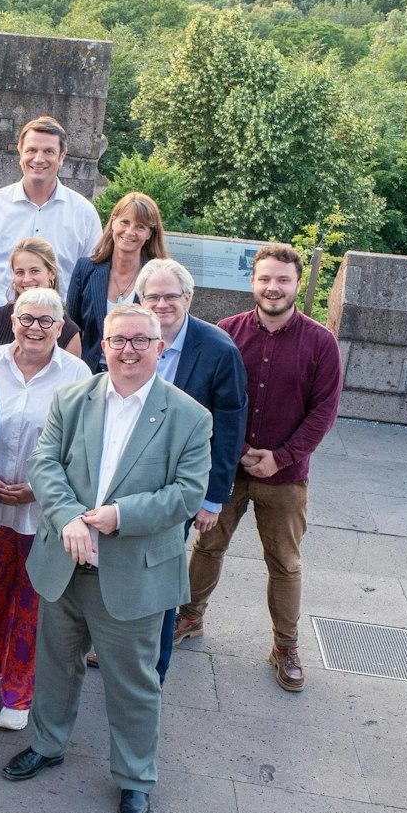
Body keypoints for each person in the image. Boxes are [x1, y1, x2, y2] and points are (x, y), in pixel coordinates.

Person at [3, 305, 210, 813]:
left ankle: (136, 778)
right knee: (55, 664)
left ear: (160, 348)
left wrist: (119, 517)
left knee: (132, 682)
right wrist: (70, 515)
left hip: (132, 572)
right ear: (103, 347)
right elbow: (44, 463)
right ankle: (48, 745)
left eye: (141, 341)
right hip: (64, 562)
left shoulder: (189, 416)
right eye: (119, 340)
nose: (128, 350)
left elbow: (186, 495)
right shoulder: (72, 399)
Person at [186, 244, 343, 693]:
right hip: (227, 472)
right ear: (252, 282)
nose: (273, 287)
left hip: (285, 477)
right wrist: (229, 450)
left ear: (296, 284)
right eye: (265, 279)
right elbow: (206, 397)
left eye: (283, 280)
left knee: (285, 564)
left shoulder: (321, 343)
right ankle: (190, 617)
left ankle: (286, 646)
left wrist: (281, 457)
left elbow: (324, 413)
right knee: (207, 546)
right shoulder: (226, 332)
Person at [0, 287, 90, 731]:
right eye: (26, 318)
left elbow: (82, 447)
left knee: (30, 603)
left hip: (41, 509)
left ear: (60, 325)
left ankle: (18, 690)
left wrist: (38, 488)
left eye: (45, 321)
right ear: (12, 320)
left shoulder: (77, 374)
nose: (34, 328)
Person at [131, 257, 246, 680]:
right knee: (121, 569)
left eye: (170, 296)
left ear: (188, 298)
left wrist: (213, 497)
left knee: (161, 573)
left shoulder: (218, 350)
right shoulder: (127, 335)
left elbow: (231, 426)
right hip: (124, 480)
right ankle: (118, 645)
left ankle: (154, 665)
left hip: (179, 487)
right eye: (152, 296)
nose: (161, 304)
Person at [0, 116, 102, 310]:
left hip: (57, 329)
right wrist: (1, 305)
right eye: (31, 150)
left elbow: (93, 280)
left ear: (62, 157)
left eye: (48, 151)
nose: (38, 159)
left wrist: (58, 311)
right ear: (20, 152)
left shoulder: (84, 214)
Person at [64, 192, 167, 373]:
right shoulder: (85, 269)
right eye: (125, 222)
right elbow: (71, 329)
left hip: (138, 375)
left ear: (150, 234)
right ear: (113, 222)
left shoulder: (158, 278)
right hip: (89, 376)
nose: (130, 232)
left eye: (140, 227)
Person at [0, 239, 82, 356]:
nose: (27, 279)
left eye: (35, 271)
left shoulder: (69, 332)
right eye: (20, 272)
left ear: (51, 273)